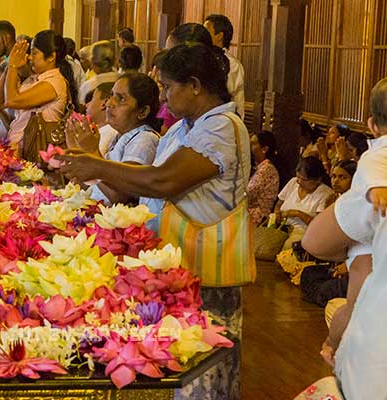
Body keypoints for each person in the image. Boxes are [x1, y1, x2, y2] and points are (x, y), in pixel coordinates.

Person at [58, 43, 251, 342]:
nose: (162, 97)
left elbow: (162, 181)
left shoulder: (221, 127)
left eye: (168, 87)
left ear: (195, 86)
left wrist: (96, 165)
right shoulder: (184, 127)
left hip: (207, 265)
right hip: (176, 263)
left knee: (202, 358)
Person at [301, 78, 387, 400]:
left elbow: (315, 242)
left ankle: (333, 345)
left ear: (371, 126)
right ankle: (334, 345)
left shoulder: (377, 161)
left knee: (354, 302)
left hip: (373, 350)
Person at [66, 73, 161, 205]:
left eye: (121, 99)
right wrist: (75, 150)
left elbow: (120, 197)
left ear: (142, 111)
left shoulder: (144, 139)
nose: (109, 103)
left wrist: (91, 152)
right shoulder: (119, 137)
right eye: (111, 95)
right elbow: (93, 186)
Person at [0, 30, 76, 151]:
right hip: (16, 147)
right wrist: (8, 69)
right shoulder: (33, 79)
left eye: (35, 53)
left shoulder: (54, 82)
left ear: (51, 57)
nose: (30, 57)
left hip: (32, 152)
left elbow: (12, 101)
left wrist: (13, 67)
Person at [274, 156, 333, 250]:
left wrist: (296, 213)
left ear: (317, 180)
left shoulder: (325, 194)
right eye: (298, 177)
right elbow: (278, 204)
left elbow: (318, 226)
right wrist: (277, 213)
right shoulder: (293, 182)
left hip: (304, 233)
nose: (299, 182)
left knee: (286, 247)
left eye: (304, 179)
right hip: (282, 228)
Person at [205, 14, 245, 120]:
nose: (203, 36)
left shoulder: (232, 64)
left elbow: (225, 93)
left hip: (223, 119)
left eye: (206, 31)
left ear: (219, 36)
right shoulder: (205, 58)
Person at [248, 132, 280, 225]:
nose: (249, 146)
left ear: (264, 149)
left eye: (253, 144)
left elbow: (249, 195)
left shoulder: (267, 169)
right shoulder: (259, 166)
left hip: (257, 217)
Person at [77, 40, 118, 106]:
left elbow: (82, 110)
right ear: (114, 59)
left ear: (92, 61)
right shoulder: (123, 80)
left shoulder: (88, 86)